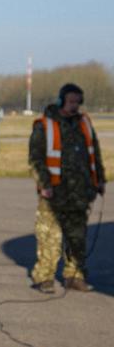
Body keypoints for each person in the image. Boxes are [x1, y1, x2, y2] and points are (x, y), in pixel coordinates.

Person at [29, 82, 105, 292]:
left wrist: (99, 179)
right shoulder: (44, 125)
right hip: (54, 193)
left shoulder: (84, 123)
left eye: (78, 102)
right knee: (49, 238)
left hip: (80, 193)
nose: (75, 106)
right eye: (71, 101)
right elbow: (35, 159)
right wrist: (44, 185)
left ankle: (74, 276)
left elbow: (94, 152)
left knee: (77, 238)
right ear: (61, 100)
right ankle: (44, 278)